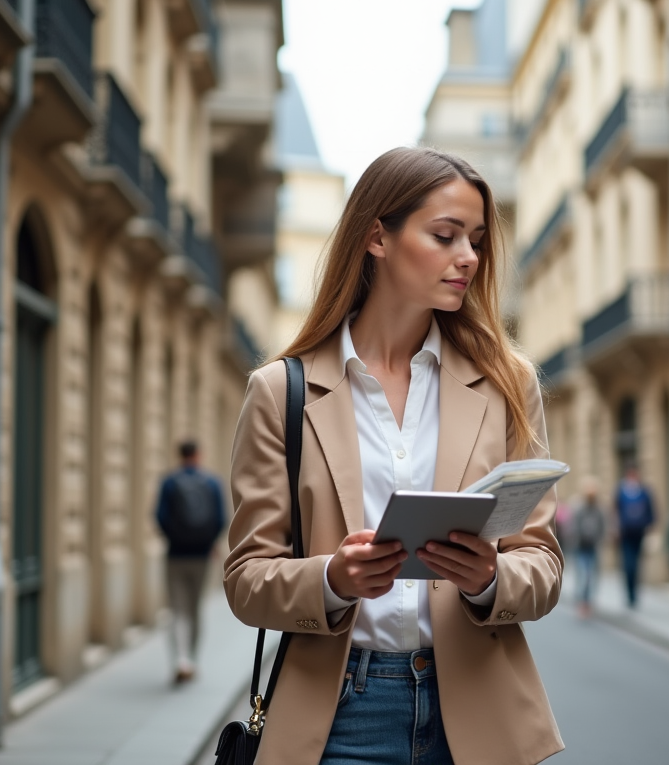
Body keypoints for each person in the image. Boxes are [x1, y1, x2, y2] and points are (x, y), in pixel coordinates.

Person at [226, 148, 564, 765]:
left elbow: (542, 564)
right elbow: (246, 580)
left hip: (478, 715)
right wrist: (332, 579)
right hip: (340, 716)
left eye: (477, 240)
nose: (468, 257)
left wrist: (489, 578)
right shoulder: (281, 391)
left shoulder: (509, 385)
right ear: (377, 237)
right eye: (445, 235)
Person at [155, 440, 227, 684]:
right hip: (202, 555)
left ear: (180, 455)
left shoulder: (169, 482)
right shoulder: (212, 483)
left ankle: (180, 659)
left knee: (177, 609)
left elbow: (159, 517)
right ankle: (193, 661)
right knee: (195, 608)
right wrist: (209, 543)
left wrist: (174, 539)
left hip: (175, 555)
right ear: (198, 455)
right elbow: (220, 519)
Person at [615, 464, 657, 609]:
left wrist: (649, 525)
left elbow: (651, 511)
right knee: (629, 564)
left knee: (637, 564)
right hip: (625, 534)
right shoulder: (620, 491)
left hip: (639, 533)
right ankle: (630, 593)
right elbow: (615, 511)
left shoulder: (644, 491)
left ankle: (634, 593)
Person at [572, 478, 607, 619]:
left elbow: (603, 527)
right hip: (580, 547)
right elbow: (573, 527)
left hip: (593, 547)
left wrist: (600, 539)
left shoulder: (599, 509)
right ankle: (582, 600)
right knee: (583, 574)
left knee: (592, 575)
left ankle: (588, 600)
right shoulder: (579, 508)